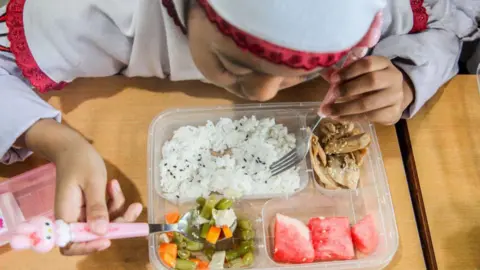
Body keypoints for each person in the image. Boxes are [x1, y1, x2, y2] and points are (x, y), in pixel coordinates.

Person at [0, 0, 475, 255]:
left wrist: (408, 76)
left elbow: (452, 27)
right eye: (233, 65)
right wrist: (57, 141)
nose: (265, 95)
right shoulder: (97, 9)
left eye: (302, 75)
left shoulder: (380, 7)